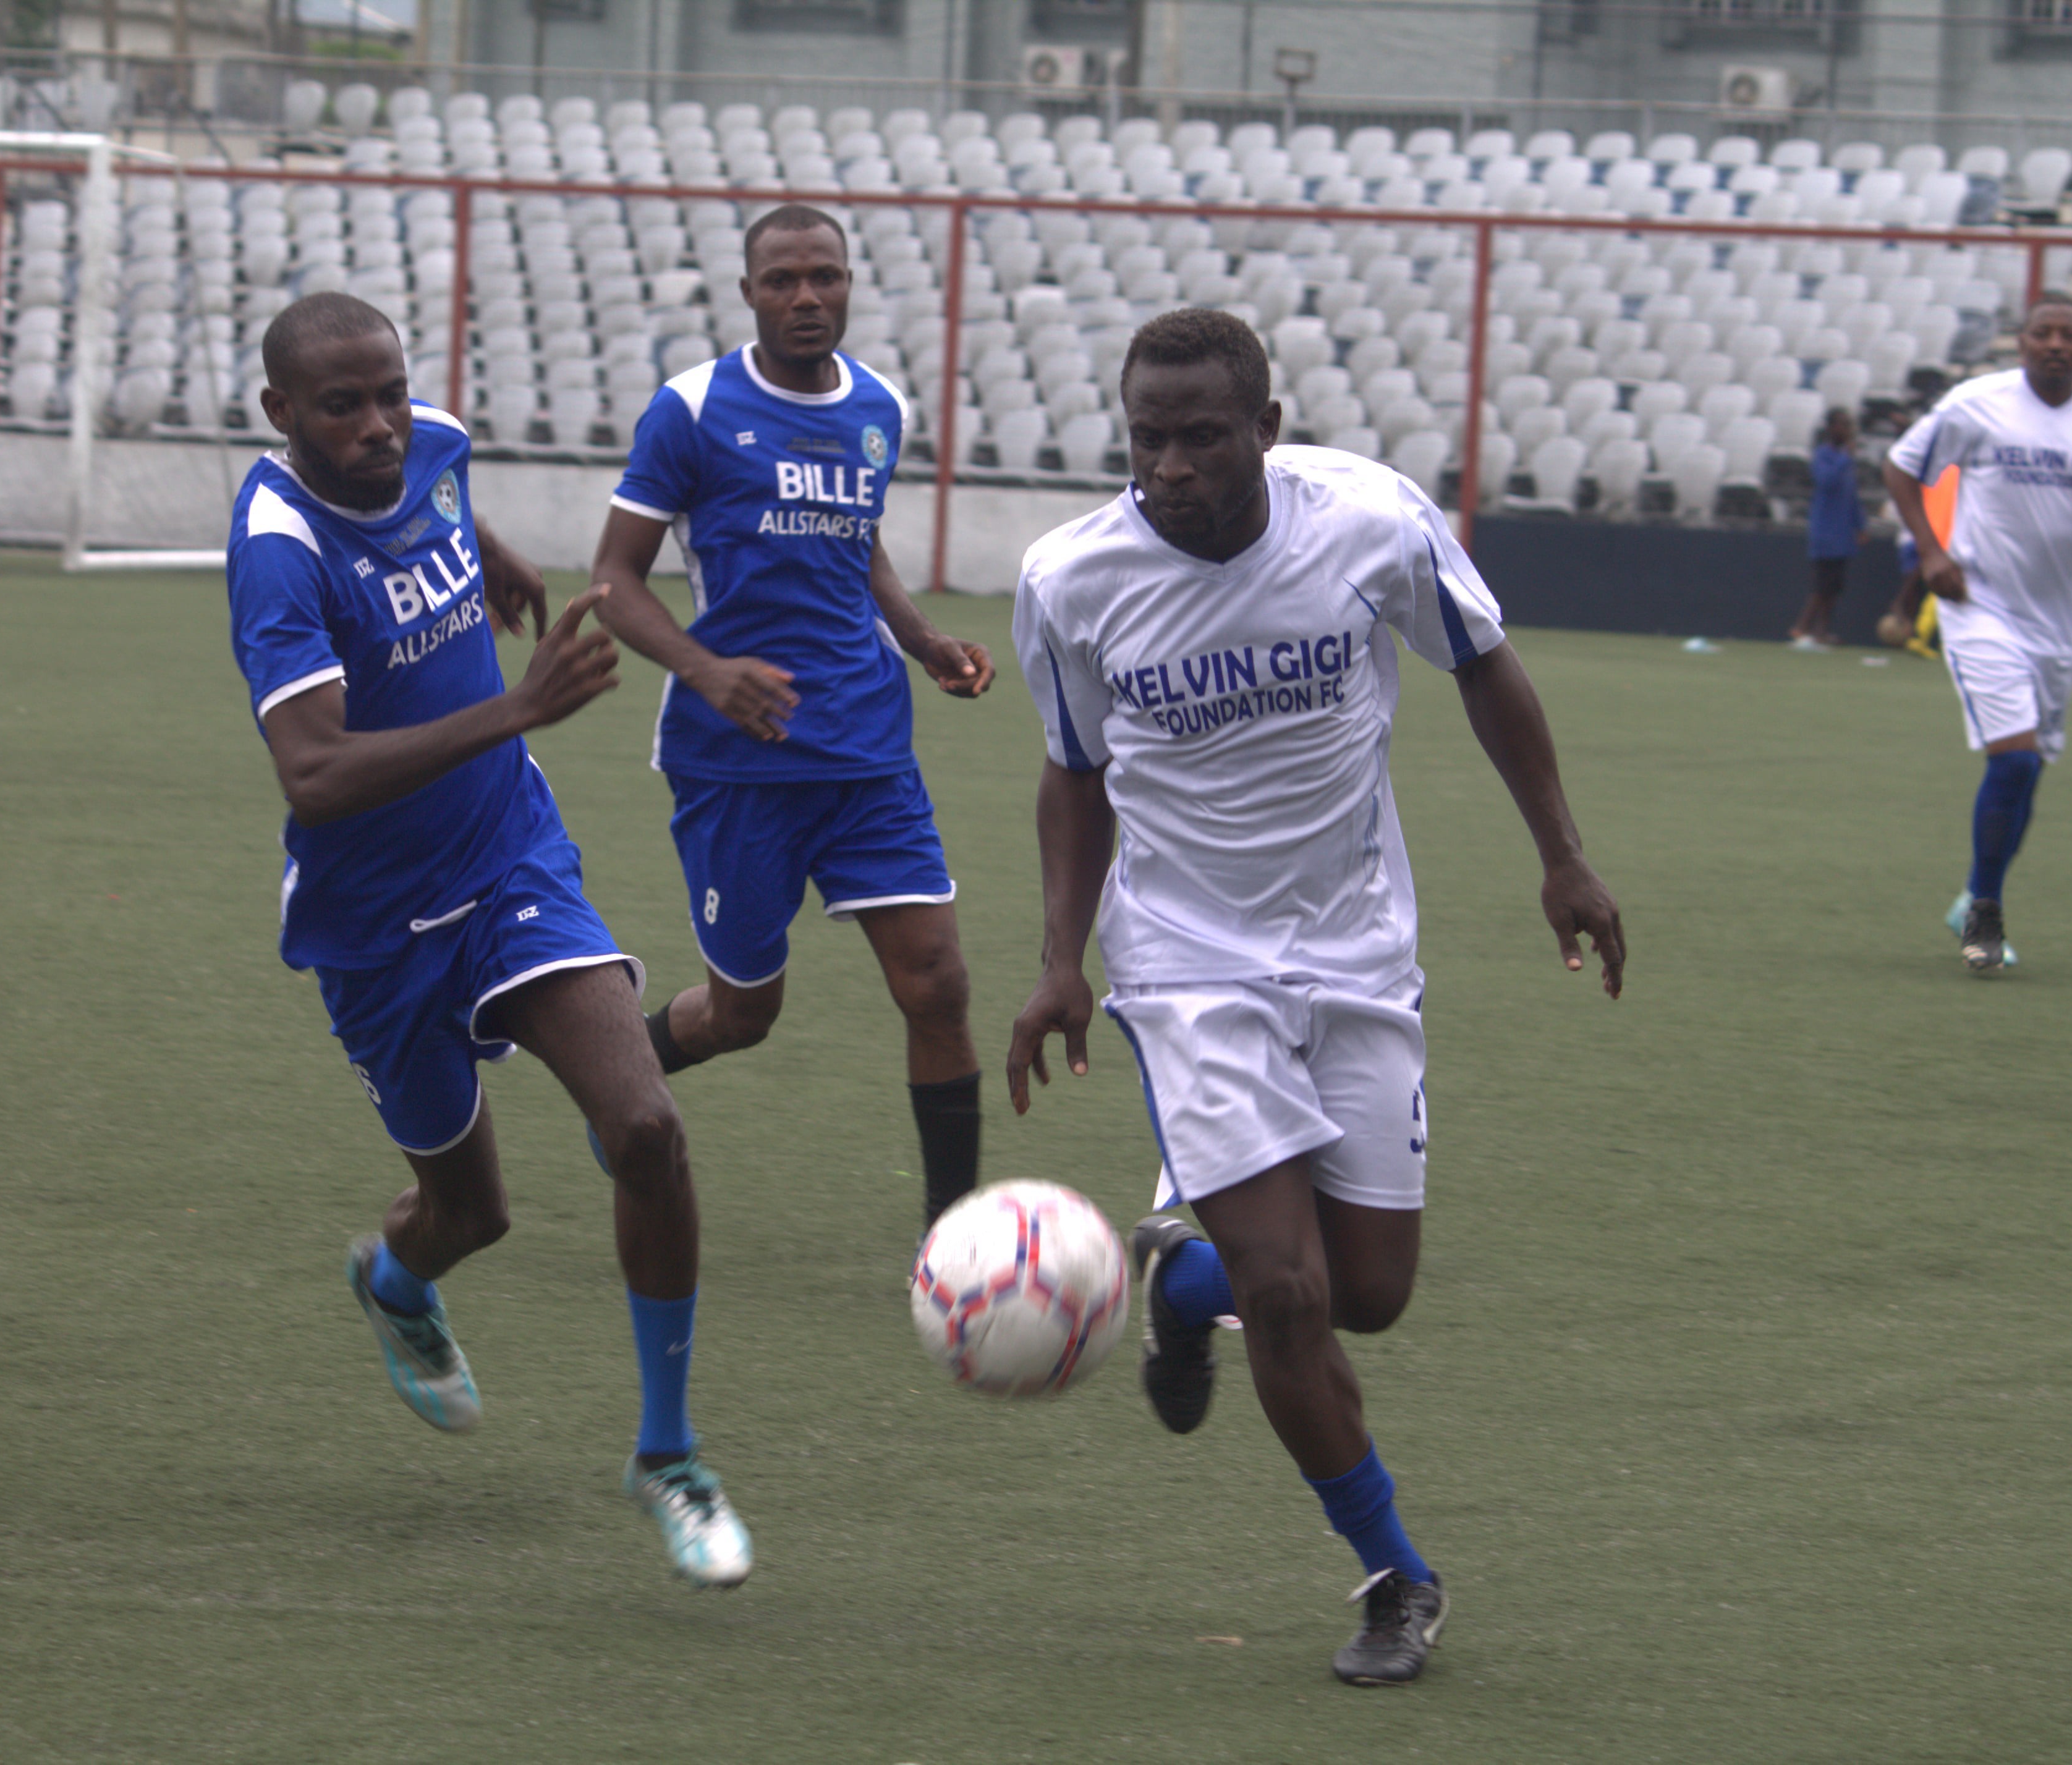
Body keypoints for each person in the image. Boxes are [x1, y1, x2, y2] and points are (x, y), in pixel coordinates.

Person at [1005, 308, 1625, 1687]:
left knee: (1370, 1295)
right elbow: (1072, 770)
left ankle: (1183, 1288)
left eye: (1202, 434)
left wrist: (1565, 860)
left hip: (1357, 953)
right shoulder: (1070, 578)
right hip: (1186, 969)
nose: (1169, 463)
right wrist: (1063, 961)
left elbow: (1482, 667)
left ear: (1267, 430)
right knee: (1291, 1301)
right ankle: (1395, 1577)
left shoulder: (1368, 520)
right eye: (1147, 436)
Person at [226, 292, 750, 1589]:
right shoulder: (279, 547)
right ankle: (398, 1281)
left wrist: (496, 561)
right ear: (280, 415)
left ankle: (669, 1455)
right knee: (474, 1211)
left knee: (645, 1129)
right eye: (340, 408)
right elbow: (316, 771)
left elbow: (442, 499)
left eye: (390, 394)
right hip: (372, 925)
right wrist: (514, 707)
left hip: (508, 860)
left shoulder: (434, 444)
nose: (379, 427)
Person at [589, 204, 997, 1230]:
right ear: (749, 294)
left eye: (825, 276)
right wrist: (705, 668)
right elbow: (614, 580)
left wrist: (917, 637)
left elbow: (855, 539)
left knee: (938, 984)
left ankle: (956, 1242)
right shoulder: (690, 410)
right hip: (738, 763)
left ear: (850, 284)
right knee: (745, 1014)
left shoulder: (879, 407)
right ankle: (625, 1077)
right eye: (783, 281)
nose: (806, 297)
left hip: (866, 749)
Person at [1880, 293, 2072, 973]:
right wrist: (1931, 552)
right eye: (2042, 333)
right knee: (2015, 760)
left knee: (2031, 772)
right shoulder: (1978, 403)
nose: (2055, 344)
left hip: (2055, 618)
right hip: (1979, 602)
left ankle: (1976, 892)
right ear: (2022, 342)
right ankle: (1987, 911)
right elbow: (1900, 465)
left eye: (2070, 334)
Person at [1790, 406, 1865, 648]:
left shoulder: (1846, 461)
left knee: (1834, 588)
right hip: (1825, 531)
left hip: (1842, 533)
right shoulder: (1823, 456)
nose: (1847, 430)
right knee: (1821, 586)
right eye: (1842, 424)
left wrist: (1860, 525)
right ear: (1831, 428)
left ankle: (1822, 631)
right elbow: (1826, 482)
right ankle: (1802, 627)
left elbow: (1851, 496)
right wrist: (1845, 458)